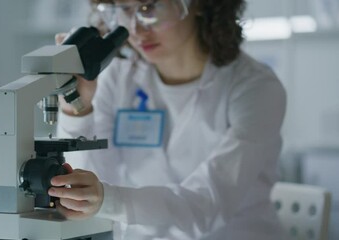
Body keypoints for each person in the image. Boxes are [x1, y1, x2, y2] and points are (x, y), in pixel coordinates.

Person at [48, 0, 287, 239]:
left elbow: (205, 205)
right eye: (124, 10)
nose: (136, 30)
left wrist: (108, 200)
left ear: (200, 5)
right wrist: (76, 108)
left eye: (148, 8)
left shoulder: (255, 88)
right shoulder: (117, 77)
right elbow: (89, 184)